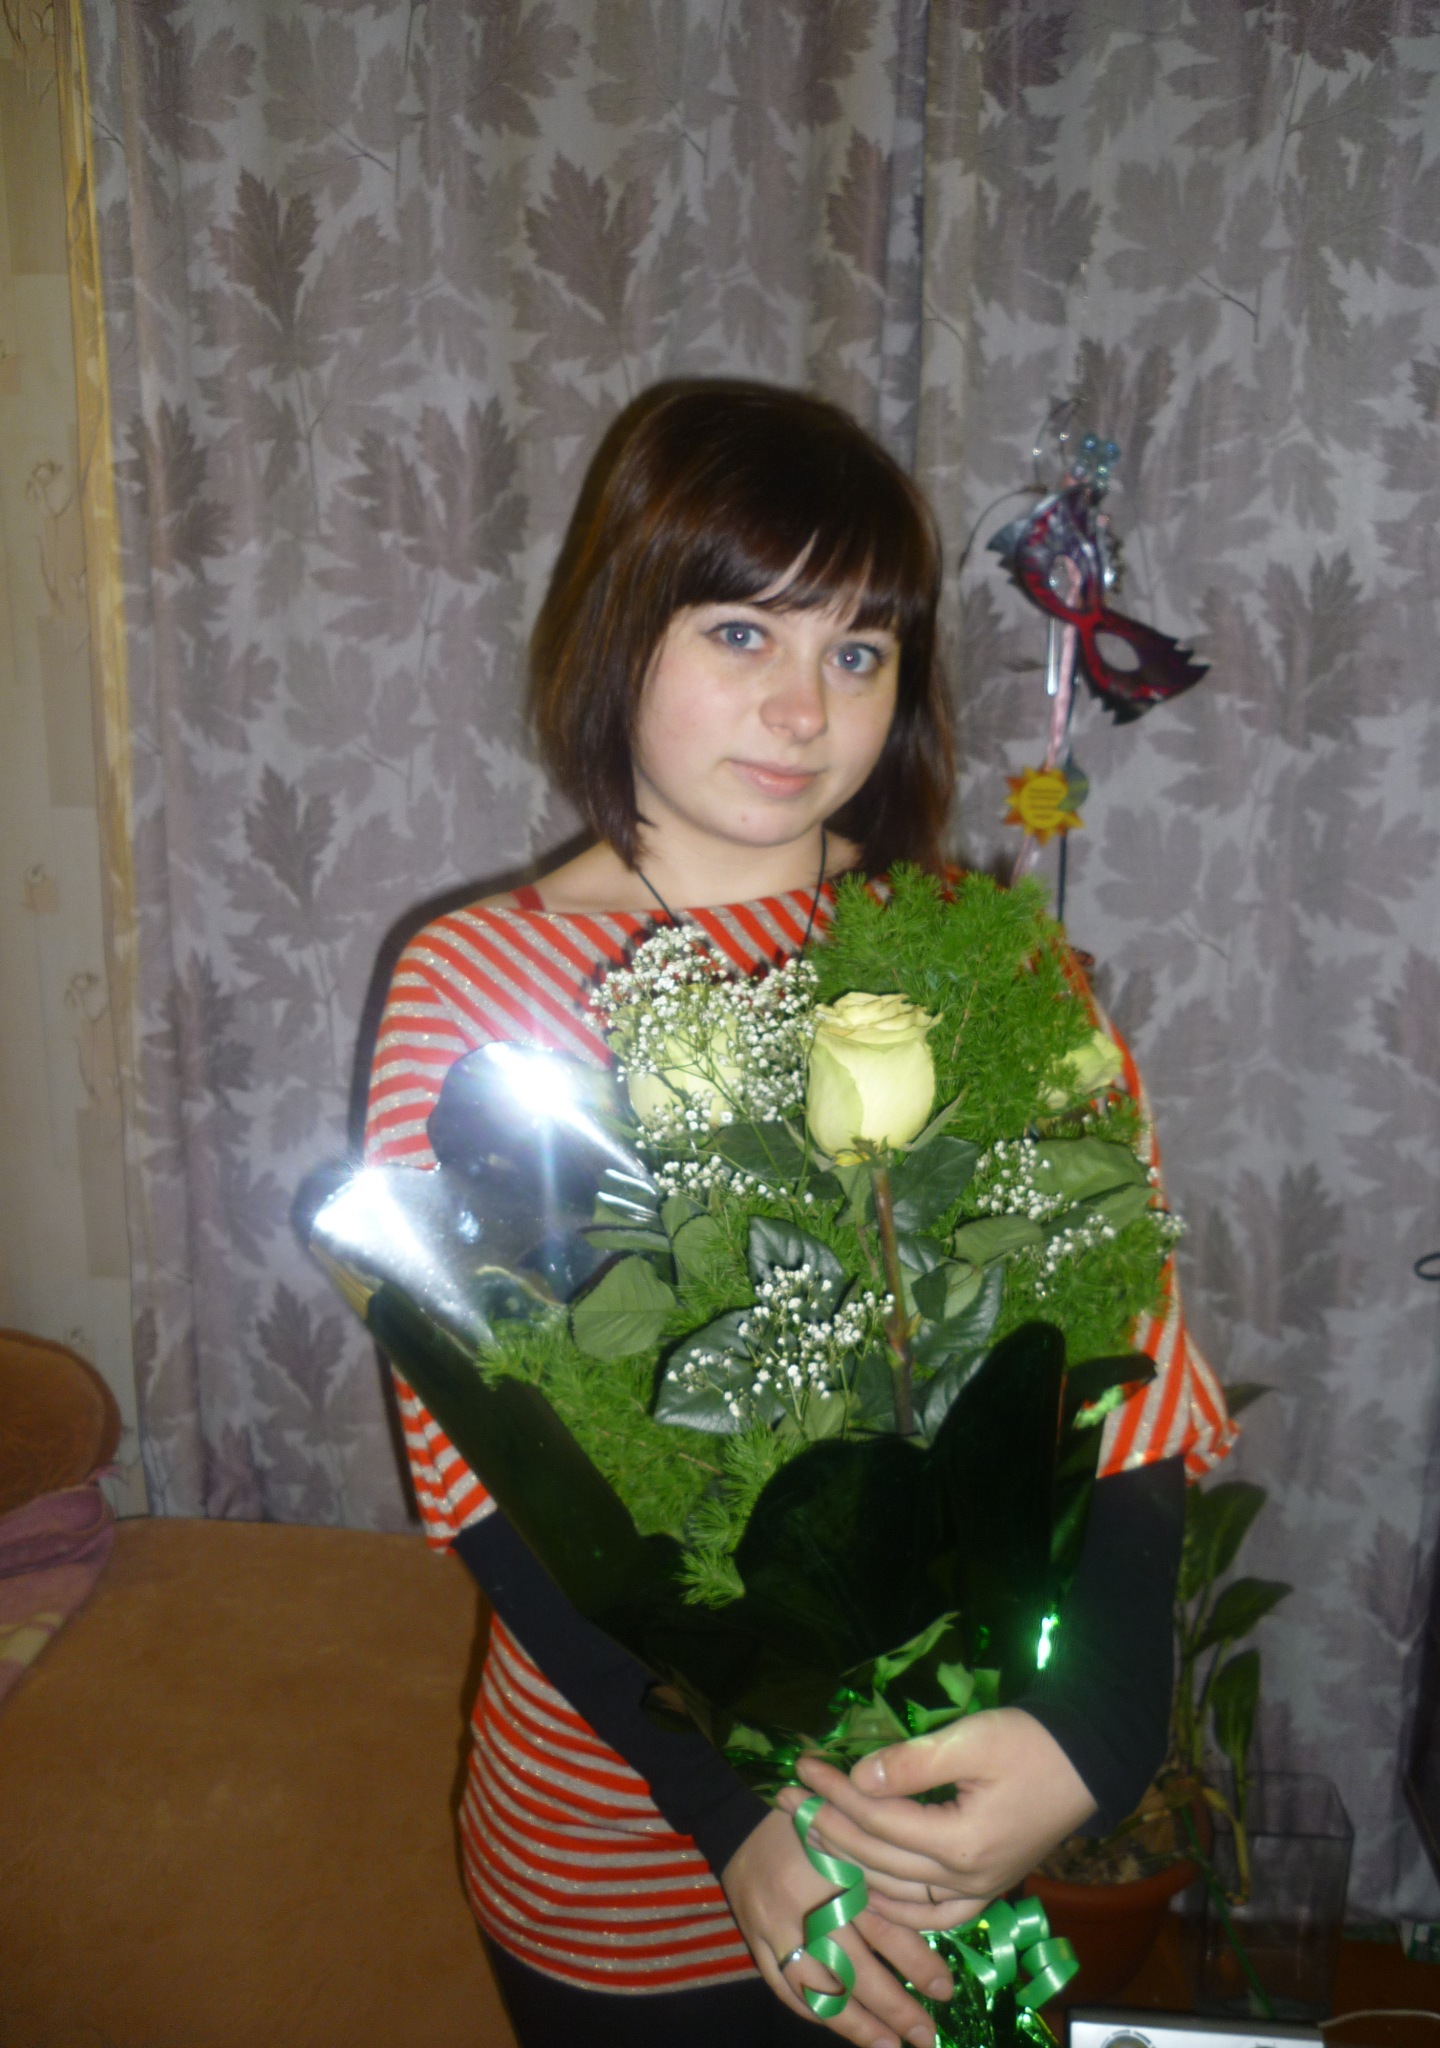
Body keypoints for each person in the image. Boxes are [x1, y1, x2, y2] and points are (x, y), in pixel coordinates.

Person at [363, 380, 1233, 2048]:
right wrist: (733, 1812)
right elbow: (494, 1478)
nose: (802, 709)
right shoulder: (478, 987)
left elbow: (1131, 1359)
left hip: (951, 1815)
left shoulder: (985, 966)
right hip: (623, 1851)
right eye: (742, 632)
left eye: (858, 652)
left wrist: (1100, 1728)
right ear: (620, 627)